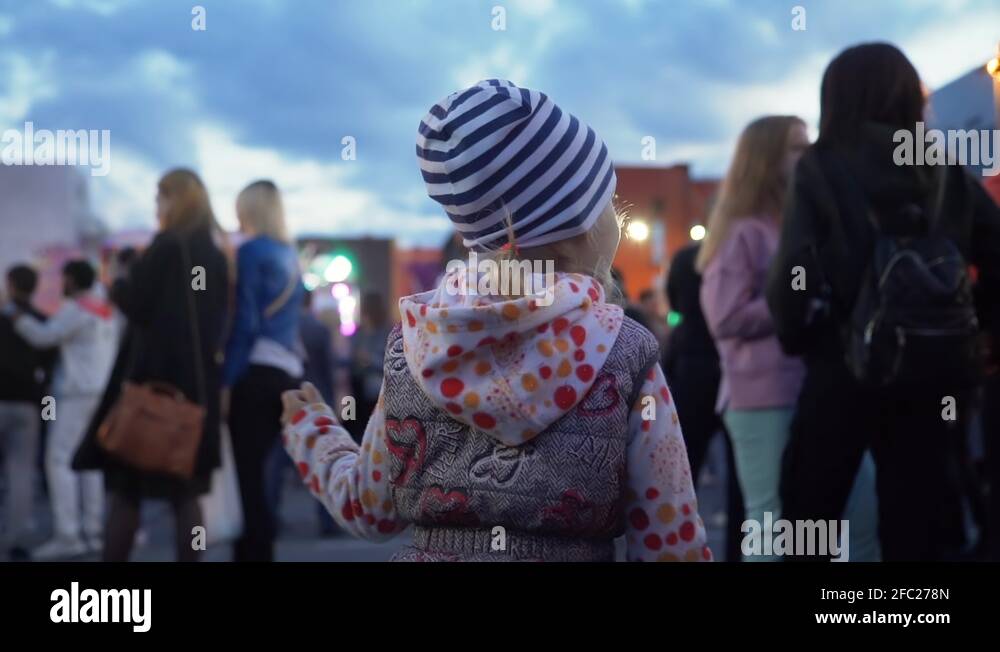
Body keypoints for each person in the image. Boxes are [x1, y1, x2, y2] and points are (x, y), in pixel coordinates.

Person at [279, 80, 711, 562]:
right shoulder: (625, 350)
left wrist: (312, 432)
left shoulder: (415, 346)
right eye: (608, 199)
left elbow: (372, 509)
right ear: (577, 227)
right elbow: (669, 540)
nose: (616, 214)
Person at [765, 43, 1000, 561]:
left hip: (844, 362)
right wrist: (976, 325)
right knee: (920, 518)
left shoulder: (821, 165)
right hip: (934, 370)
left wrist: (802, 337)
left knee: (811, 513)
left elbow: (792, 277)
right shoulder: (939, 163)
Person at [699, 115, 880, 562]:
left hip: (815, 386)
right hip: (761, 396)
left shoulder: (797, 222)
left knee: (858, 509)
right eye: (797, 146)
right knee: (772, 525)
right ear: (766, 160)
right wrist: (800, 303)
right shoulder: (742, 231)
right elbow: (724, 316)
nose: (809, 152)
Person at [74, 168, 230, 562]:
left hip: (151, 385)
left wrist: (120, 280)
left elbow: (138, 305)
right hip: (196, 387)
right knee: (187, 492)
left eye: (161, 196)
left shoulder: (166, 246)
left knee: (128, 491)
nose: (156, 205)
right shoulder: (212, 251)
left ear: (175, 200)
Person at [13, 260, 117, 559]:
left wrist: (17, 318)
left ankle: (68, 534)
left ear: (70, 279)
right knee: (90, 463)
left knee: (59, 460)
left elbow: (44, 337)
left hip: (74, 395)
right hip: (99, 393)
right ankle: (94, 531)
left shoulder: (76, 308)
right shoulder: (104, 309)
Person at [224, 179, 304, 562]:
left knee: (245, 478)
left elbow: (246, 322)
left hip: (254, 371)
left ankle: (251, 553)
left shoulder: (251, 252)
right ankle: (263, 549)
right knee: (264, 473)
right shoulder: (290, 255)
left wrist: (227, 380)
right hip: (286, 372)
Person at [662, 243, 744, 562]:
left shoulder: (683, 258)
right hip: (730, 365)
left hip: (691, 366)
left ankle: (679, 548)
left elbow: (674, 303)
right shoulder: (731, 254)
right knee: (740, 479)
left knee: (684, 472)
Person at [0, 265, 56, 560]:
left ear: (10, 284)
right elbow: (49, 368)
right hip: (27, 403)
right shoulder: (41, 321)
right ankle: (17, 536)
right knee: (21, 471)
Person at [345, 293, 390, 444]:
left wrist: (369, 360)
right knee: (351, 424)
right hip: (354, 391)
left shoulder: (386, 332)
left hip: (375, 391)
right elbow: (349, 360)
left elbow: (390, 363)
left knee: (373, 433)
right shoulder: (358, 333)